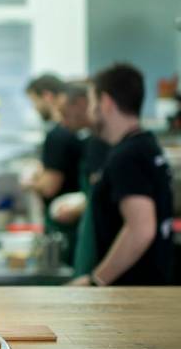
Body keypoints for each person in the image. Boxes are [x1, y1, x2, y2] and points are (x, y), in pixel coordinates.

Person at [70, 63, 174, 286]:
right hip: (150, 288)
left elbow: (141, 229)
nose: (89, 112)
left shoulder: (126, 156)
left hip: (131, 293)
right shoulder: (147, 144)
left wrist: (95, 281)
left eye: (92, 103)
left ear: (105, 103)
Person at [24, 74, 84, 266]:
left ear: (48, 96)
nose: (34, 108)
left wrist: (30, 182)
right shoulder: (73, 134)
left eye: (34, 102)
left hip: (66, 226)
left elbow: (50, 186)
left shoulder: (57, 135)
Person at [52, 81, 110, 277]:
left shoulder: (109, 145)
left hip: (103, 247)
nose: (63, 121)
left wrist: (98, 279)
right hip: (88, 236)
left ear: (83, 103)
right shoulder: (90, 142)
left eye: (65, 113)